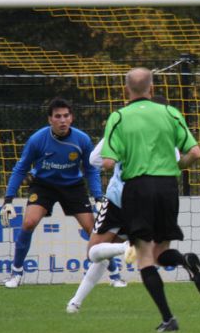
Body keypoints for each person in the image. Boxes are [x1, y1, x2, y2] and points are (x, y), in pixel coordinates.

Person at [100, 68, 200, 332]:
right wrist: (178, 166)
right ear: (151, 88)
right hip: (168, 187)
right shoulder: (170, 112)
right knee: (161, 253)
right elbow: (195, 153)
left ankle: (168, 319)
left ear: (126, 90)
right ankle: (185, 261)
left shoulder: (118, 117)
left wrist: (128, 155)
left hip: (138, 188)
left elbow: (107, 163)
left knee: (145, 257)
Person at [65, 95, 183, 314]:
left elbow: (95, 160)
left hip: (118, 198)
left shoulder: (123, 125)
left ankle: (126, 248)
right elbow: (178, 161)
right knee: (135, 255)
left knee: (94, 252)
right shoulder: (167, 133)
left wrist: (120, 159)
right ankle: (75, 302)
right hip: (148, 202)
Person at [0, 97, 126, 288]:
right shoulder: (37, 139)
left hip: (73, 186)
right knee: (28, 222)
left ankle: (115, 276)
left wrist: (98, 197)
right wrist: (8, 200)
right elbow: (20, 168)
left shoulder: (82, 139)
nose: (62, 120)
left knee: (93, 230)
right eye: (57, 116)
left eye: (66, 116)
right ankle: (15, 274)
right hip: (43, 186)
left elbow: (91, 170)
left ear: (72, 118)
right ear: (50, 119)